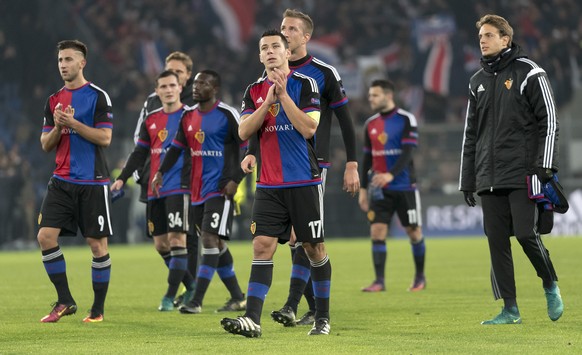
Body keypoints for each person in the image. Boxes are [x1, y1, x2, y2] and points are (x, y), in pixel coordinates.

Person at [241, 8, 359, 328]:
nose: (285, 34)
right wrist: (252, 151)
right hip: (273, 171)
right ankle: (293, 307)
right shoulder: (258, 86)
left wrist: (352, 162)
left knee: (306, 242)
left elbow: (344, 123)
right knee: (289, 242)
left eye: (290, 30)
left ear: (304, 37)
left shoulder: (320, 75)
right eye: (282, 29)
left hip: (311, 165)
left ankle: (306, 308)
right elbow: (259, 124)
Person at [220, 29, 330, 338]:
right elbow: (243, 132)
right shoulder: (254, 90)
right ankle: (252, 319)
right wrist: (268, 101)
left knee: (313, 247)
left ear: (286, 53)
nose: (269, 51)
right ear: (259, 56)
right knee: (261, 245)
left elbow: (309, 128)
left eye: (275, 47)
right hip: (269, 184)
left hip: (303, 181)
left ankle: (322, 317)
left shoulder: (304, 84)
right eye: (264, 48)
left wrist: (283, 98)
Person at [459, 14, 564, 325]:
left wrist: (543, 166)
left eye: (489, 35)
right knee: (496, 241)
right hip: (488, 175)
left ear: (505, 39)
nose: (483, 40)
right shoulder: (476, 81)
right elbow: (470, 133)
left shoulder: (529, 72)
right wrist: (467, 179)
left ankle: (549, 284)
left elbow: (551, 122)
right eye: (481, 35)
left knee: (525, 234)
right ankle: (510, 309)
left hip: (523, 172)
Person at [151, 70, 247, 314]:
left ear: (215, 89)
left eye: (203, 83)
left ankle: (196, 300)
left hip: (220, 189)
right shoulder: (188, 116)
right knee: (217, 244)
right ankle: (238, 297)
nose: (196, 87)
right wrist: (161, 171)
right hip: (195, 192)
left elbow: (249, 149)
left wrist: (236, 180)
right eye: (195, 83)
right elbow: (176, 147)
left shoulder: (228, 115)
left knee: (208, 239)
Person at [37, 39, 113, 323]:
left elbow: (105, 138)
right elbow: (46, 144)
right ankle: (65, 300)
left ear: (82, 63)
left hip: (92, 182)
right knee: (45, 237)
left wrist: (74, 125)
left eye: (68, 59)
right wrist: (58, 126)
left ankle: (98, 310)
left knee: (97, 246)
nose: (63, 65)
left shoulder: (97, 96)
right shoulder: (53, 101)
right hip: (61, 180)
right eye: (60, 60)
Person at [111, 70, 196, 311]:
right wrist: (122, 178)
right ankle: (191, 285)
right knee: (161, 245)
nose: (168, 90)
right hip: (154, 189)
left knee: (177, 239)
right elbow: (139, 153)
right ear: (157, 91)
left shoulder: (191, 117)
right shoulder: (151, 119)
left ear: (180, 88)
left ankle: (169, 296)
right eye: (163, 86)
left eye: (172, 85)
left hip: (180, 186)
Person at [132, 51, 198, 305]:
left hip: (185, 181)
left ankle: (177, 294)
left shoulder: (195, 104)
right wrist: (138, 172)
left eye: (178, 74)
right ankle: (190, 285)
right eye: (168, 73)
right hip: (155, 181)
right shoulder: (151, 104)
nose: (173, 79)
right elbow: (140, 141)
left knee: (186, 239)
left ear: (187, 77)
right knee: (161, 244)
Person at [358, 79, 426, 293]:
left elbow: (407, 153)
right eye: (370, 96)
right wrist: (362, 190)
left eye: (375, 95)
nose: (371, 99)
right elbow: (367, 158)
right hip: (379, 188)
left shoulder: (406, 119)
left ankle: (419, 278)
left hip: (405, 186)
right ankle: (379, 281)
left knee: (413, 232)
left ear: (388, 96)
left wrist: (390, 174)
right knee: (377, 231)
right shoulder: (370, 124)